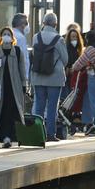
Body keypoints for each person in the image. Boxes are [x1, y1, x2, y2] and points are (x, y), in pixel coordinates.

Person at [30, 12, 68, 141]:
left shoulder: (36, 37)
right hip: (54, 77)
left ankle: (37, 134)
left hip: (38, 75)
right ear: (55, 24)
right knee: (52, 106)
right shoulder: (59, 39)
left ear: (43, 23)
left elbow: (35, 54)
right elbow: (65, 59)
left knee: (39, 106)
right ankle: (50, 134)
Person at [0, 27, 28, 147]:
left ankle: (9, 136)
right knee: (1, 112)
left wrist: (24, 85)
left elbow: (22, 69)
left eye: (8, 34)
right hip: (0, 87)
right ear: (0, 37)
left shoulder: (17, 51)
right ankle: (4, 136)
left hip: (14, 87)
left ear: (12, 38)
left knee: (12, 111)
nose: (6, 36)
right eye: (4, 34)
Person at [70, 31, 95, 136]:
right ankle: (89, 122)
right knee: (90, 99)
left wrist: (73, 68)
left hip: (93, 77)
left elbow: (79, 63)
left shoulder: (90, 49)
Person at [11, 13, 30, 80]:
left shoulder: (9, 34)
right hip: (18, 75)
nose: (27, 26)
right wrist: (25, 76)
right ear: (22, 24)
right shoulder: (20, 38)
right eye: (26, 23)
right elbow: (24, 58)